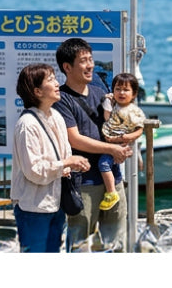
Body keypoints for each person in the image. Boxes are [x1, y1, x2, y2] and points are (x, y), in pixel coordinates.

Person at [52, 38, 133, 251]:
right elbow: (75, 139)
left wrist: (123, 142)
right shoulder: (61, 99)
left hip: (112, 179)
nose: (90, 65)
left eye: (91, 59)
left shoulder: (99, 93)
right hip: (83, 183)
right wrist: (112, 149)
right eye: (83, 61)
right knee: (80, 243)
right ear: (67, 67)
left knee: (115, 241)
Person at [11, 62, 89, 253]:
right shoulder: (27, 125)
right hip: (33, 207)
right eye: (51, 79)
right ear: (37, 91)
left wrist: (73, 164)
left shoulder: (56, 116)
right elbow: (34, 171)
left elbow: (65, 153)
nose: (57, 83)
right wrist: (66, 163)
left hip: (56, 203)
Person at [98, 71, 147, 211]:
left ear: (134, 94)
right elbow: (107, 118)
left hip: (119, 145)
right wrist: (108, 102)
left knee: (104, 164)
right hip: (112, 143)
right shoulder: (112, 105)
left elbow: (140, 129)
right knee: (112, 167)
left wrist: (128, 137)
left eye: (126, 90)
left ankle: (111, 192)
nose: (121, 92)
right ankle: (113, 191)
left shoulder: (134, 111)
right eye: (118, 89)